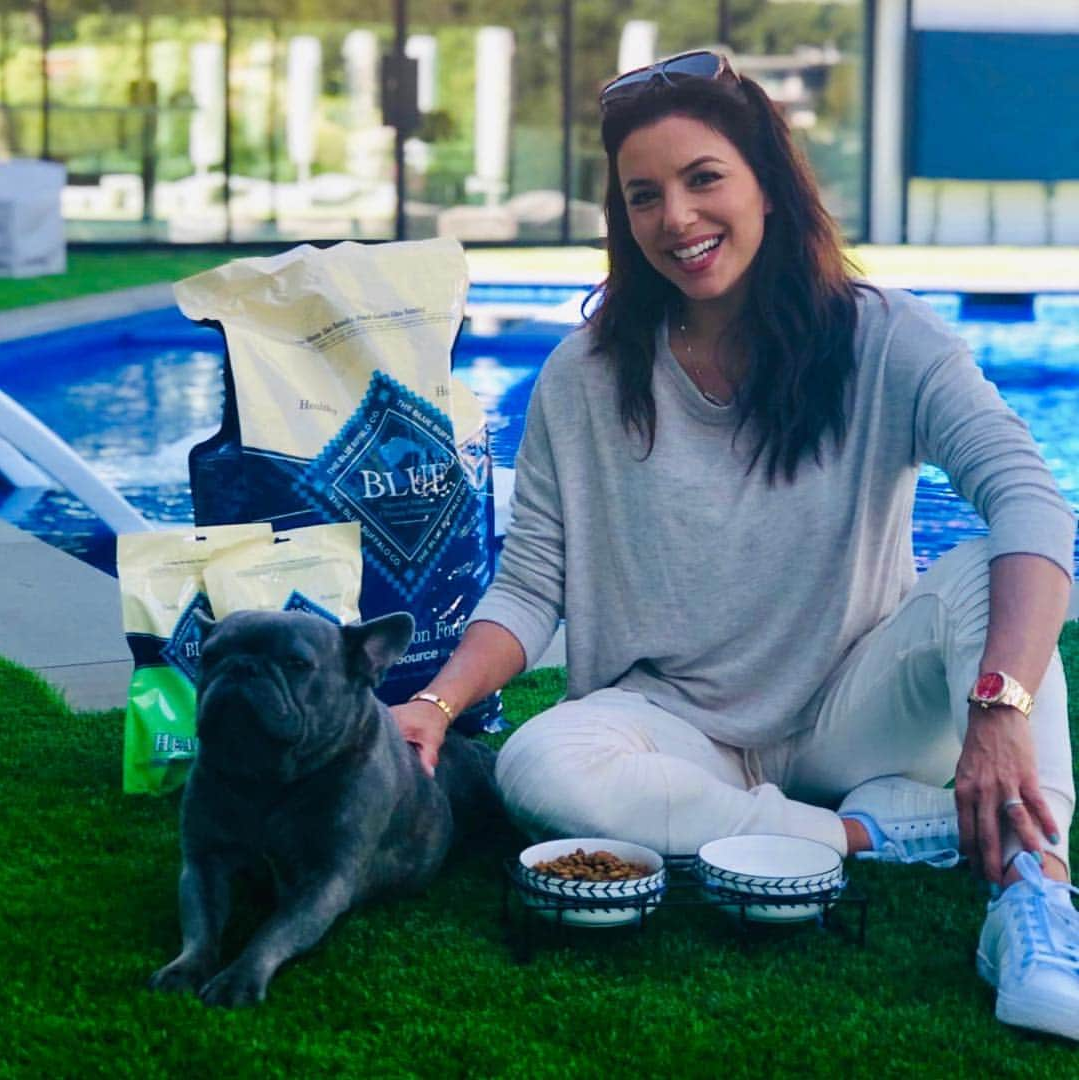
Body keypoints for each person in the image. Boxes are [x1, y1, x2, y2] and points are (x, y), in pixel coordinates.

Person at [392, 50, 1079, 1040]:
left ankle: (1034, 901)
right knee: (537, 762)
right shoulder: (581, 377)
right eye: (643, 196)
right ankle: (868, 833)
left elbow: (1031, 502)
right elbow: (532, 584)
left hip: (854, 706)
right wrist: (435, 701)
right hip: (673, 730)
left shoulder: (885, 339)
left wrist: (999, 707)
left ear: (767, 182)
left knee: (993, 573)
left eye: (703, 178)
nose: (675, 217)